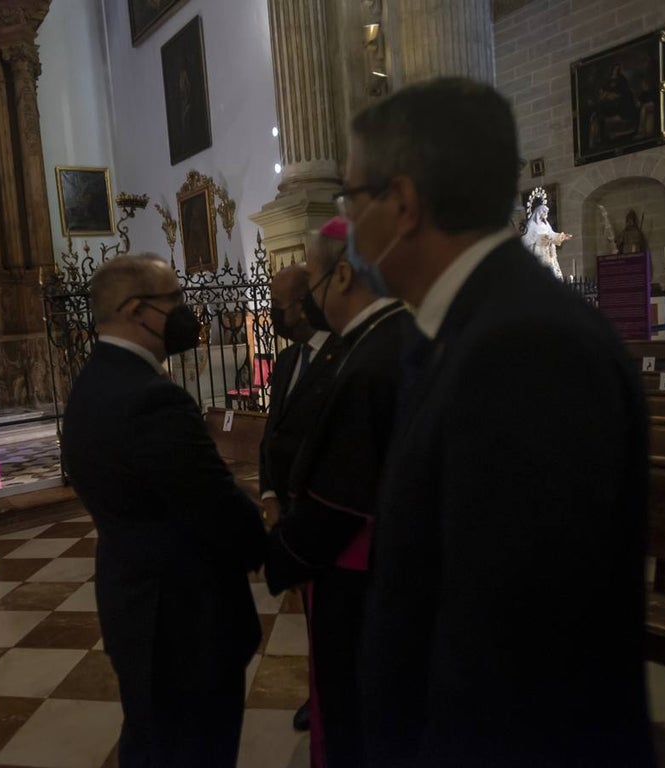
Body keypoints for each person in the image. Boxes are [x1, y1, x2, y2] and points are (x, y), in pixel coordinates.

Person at [345, 77, 654, 766]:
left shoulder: (528, 348)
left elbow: (512, 659)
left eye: (352, 198)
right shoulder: (472, 323)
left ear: (403, 203)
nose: (347, 225)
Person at [61, 254, 266, 766]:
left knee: (152, 738)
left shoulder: (93, 382)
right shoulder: (152, 398)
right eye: (174, 299)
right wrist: (273, 543)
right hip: (183, 618)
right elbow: (214, 506)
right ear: (136, 309)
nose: (185, 311)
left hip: (134, 599)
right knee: (191, 747)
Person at [265, 217, 411, 767]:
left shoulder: (369, 361)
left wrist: (279, 554)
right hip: (396, 567)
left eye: (315, 279)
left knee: (352, 711)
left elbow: (339, 502)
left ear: (343, 276)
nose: (311, 299)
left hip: (358, 577)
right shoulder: (399, 337)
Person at [258, 263, 343, 735]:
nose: (273, 312)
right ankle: (320, 689)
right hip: (289, 512)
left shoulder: (344, 356)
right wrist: (269, 494)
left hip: (328, 513)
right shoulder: (288, 360)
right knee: (311, 616)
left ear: (305, 305)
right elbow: (272, 435)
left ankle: (335, 693)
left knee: (336, 615)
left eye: (278, 303)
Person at [520, 195, 571, 279]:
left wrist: (563, 236)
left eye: (546, 213)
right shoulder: (532, 225)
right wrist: (543, 238)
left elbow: (552, 234)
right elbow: (527, 239)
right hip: (538, 252)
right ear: (539, 213)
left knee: (552, 273)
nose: (546, 215)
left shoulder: (546, 224)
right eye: (544, 213)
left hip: (548, 252)